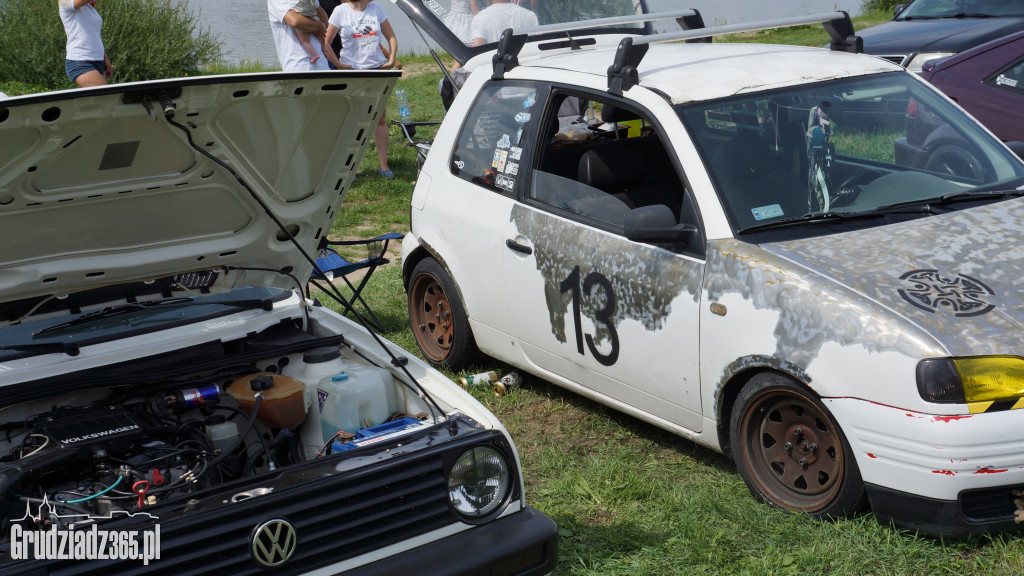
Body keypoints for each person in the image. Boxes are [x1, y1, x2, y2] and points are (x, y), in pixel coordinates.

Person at [323, 1, 398, 178]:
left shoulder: (376, 9)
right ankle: (350, 168)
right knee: (352, 119)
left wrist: (392, 60)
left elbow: (391, 37)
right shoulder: (340, 11)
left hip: (376, 70)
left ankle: (384, 166)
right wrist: (338, 64)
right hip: (352, 72)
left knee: (380, 118)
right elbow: (326, 43)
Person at [58, 0, 112, 88]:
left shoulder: (89, 8)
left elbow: (94, 35)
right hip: (81, 62)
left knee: (100, 100)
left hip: (97, 62)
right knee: (105, 98)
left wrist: (105, 58)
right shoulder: (67, 2)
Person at [268, 0, 330, 72]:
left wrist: (315, 6)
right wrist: (319, 25)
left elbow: (325, 23)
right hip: (298, 67)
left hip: (322, 65)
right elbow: (295, 21)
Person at [469, 0, 538, 46]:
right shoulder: (531, 15)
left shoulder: (480, 18)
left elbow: (477, 50)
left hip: (494, 66)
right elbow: (539, 45)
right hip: (527, 65)